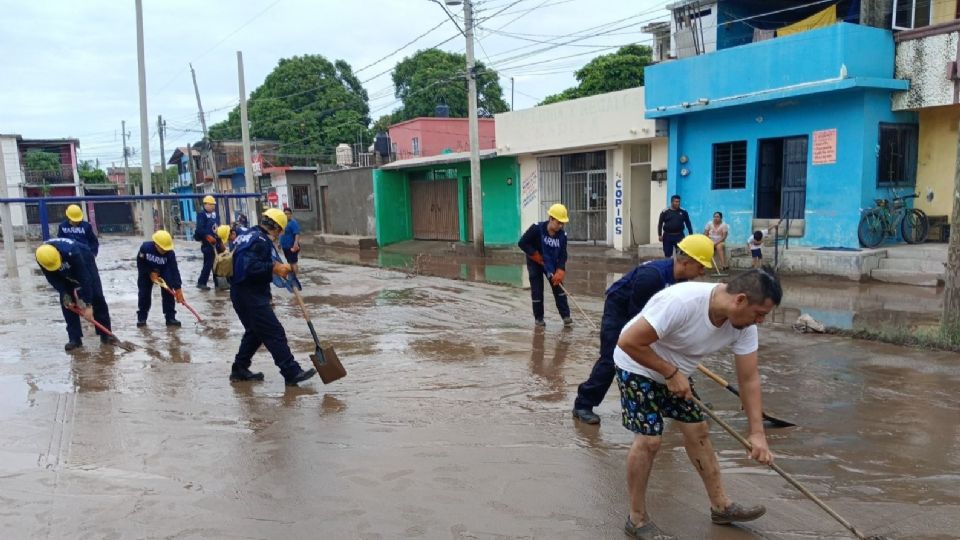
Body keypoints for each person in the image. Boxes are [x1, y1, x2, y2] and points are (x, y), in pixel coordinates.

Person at [614, 267, 782, 539]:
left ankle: (721, 506)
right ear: (740, 300)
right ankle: (636, 518)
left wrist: (757, 434)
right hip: (637, 365)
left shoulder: (743, 326)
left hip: (679, 372)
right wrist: (669, 372)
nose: (760, 321)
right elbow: (628, 341)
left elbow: (749, 379)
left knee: (698, 431)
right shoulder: (681, 302)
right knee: (649, 441)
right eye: (760, 314)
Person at [571, 235, 714, 425]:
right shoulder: (652, 276)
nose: (703, 272)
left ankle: (684, 404)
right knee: (611, 357)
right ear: (687, 262)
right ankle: (583, 404)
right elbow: (636, 320)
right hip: (621, 312)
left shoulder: (681, 281)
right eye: (701, 266)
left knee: (670, 356)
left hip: (646, 314)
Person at [229, 208, 317, 386]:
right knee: (274, 332)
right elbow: (250, 268)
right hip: (250, 294)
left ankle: (239, 368)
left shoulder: (249, 234)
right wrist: (273, 268)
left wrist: (273, 270)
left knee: (255, 333)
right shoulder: (260, 241)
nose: (279, 235)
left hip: (240, 292)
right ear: (276, 228)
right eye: (280, 231)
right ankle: (291, 371)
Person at [35, 238, 117, 350]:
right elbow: (53, 279)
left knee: (96, 295)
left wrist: (88, 305)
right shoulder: (41, 257)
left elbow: (85, 278)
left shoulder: (72, 251)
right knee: (67, 302)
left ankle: (106, 334)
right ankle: (74, 339)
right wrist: (64, 293)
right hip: (59, 267)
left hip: (83, 258)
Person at [517, 203, 572, 327]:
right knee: (537, 290)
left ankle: (566, 316)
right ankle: (539, 318)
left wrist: (560, 269)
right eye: (558, 222)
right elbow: (522, 243)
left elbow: (563, 254)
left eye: (562, 223)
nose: (560, 226)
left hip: (551, 263)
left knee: (559, 288)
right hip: (535, 262)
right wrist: (535, 255)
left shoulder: (562, 236)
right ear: (551, 218)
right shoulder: (536, 229)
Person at [136, 230, 184, 328]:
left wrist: (178, 288)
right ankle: (142, 318)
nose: (164, 251)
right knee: (144, 294)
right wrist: (150, 272)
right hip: (146, 271)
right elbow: (140, 263)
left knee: (168, 292)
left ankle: (170, 318)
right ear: (156, 244)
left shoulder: (170, 253)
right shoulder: (145, 248)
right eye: (162, 249)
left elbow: (174, 270)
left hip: (163, 270)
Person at [194, 195, 220, 290]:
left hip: (216, 242)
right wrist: (207, 236)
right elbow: (199, 229)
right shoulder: (201, 215)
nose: (213, 206)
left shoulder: (216, 215)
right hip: (207, 244)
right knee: (209, 263)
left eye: (214, 205)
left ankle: (217, 283)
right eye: (211, 204)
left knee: (215, 263)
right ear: (206, 205)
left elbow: (218, 228)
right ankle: (202, 282)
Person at [279, 206, 302, 275]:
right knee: (289, 262)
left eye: (288, 213)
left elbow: (297, 234)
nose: (286, 215)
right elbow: (281, 234)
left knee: (293, 262)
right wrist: (279, 243)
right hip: (285, 246)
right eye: (285, 213)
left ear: (291, 214)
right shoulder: (283, 223)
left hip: (292, 245)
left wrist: (296, 244)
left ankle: (296, 276)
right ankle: (293, 276)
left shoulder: (293, 223)